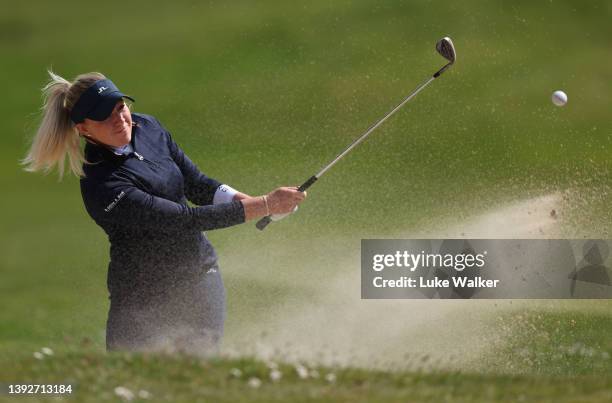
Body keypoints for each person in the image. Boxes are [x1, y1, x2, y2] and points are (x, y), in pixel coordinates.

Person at [22, 71, 306, 354]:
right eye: (103, 116)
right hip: (140, 299)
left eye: (120, 107)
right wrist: (266, 204)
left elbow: (197, 185)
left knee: (197, 377)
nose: (119, 119)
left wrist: (252, 201)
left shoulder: (148, 128)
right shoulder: (102, 183)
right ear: (83, 128)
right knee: (132, 385)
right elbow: (183, 220)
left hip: (198, 279)